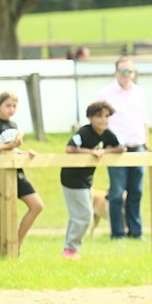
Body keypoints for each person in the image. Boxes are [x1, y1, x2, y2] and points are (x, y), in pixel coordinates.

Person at [60, 101, 124, 258]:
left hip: (87, 179)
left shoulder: (107, 133)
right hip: (72, 179)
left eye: (106, 116)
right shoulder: (84, 132)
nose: (103, 120)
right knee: (85, 215)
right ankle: (70, 249)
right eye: (99, 116)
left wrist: (106, 151)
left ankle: (68, 249)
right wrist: (90, 152)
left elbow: (121, 147)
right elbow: (69, 149)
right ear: (90, 117)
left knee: (78, 215)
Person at [97, 58, 149, 239]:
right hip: (116, 149)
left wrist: (146, 142)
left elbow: (143, 119)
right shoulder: (106, 93)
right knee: (117, 193)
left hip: (138, 147)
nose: (126, 75)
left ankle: (136, 232)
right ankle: (117, 233)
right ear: (115, 72)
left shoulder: (139, 92)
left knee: (136, 192)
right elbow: (99, 122)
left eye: (129, 72)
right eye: (122, 71)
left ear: (133, 73)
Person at [0, 92, 44, 250]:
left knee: (37, 205)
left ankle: (16, 243)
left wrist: (25, 153)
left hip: (17, 173)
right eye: (8, 106)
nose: (11, 109)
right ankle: (3, 252)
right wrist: (7, 147)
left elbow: (14, 150)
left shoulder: (13, 125)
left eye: (14, 106)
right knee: (3, 216)